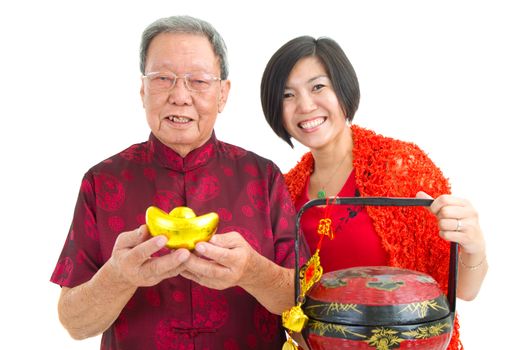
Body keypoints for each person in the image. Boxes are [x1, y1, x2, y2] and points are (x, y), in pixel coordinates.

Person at [50, 16, 308, 350]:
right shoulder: (102, 181)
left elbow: (306, 300)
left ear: (223, 94)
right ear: (142, 90)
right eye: (163, 79)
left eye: (198, 80)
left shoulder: (263, 177)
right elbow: (75, 323)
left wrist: (252, 271)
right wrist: (119, 276)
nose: (180, 96)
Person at [260, 36, 487, 349]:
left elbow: (464, 289)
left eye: (318, 87)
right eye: (287, 95)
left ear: (343, 88)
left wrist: (473, 246)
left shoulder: (400, 166)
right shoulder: (285, 192)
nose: (305, 106)